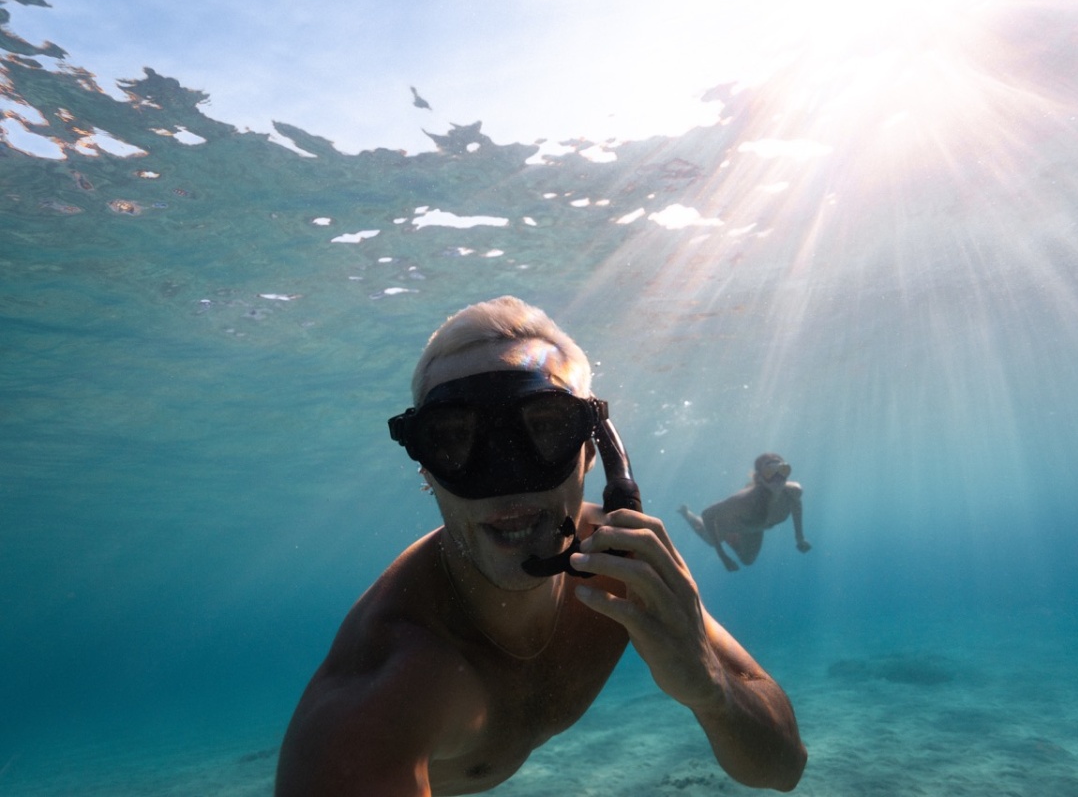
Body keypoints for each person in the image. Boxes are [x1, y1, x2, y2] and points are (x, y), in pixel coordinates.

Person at [275, 296, 806, 796]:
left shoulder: (624, 563)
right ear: (426, 468)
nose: (506, 482)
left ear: (594, 453)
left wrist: (711, 688)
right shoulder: (384, 694)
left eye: (546, 428)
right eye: (455, 438)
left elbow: (784, 767)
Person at [679, 453, 810, 572]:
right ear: (759, 478)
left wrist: (800, 538)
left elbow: (796, 505)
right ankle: (686, 513)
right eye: (769, 471)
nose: (777, 477)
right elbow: (707, 514)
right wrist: (723, 556)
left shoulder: (793, 493)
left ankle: (734, 538)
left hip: (752, 527)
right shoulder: (744, 500)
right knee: (711, 541)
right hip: (728, 523)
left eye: (782, 470)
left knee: (748, 560)